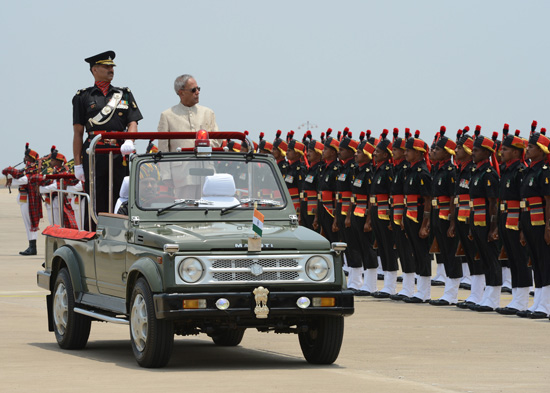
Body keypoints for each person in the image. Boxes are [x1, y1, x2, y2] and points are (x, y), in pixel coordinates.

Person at [72, 50, 142, 229]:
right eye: (106, 66)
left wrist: (129, 141)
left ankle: (120, 233)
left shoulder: (124, 94)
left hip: (119, 152)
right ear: (95, 70)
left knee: (121, 194)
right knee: (95, 195)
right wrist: (78, 164)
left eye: (112, 66)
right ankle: (94, 233)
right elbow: (78, 133)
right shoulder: (83, 97)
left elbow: (132, 122)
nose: (111, 69)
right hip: (94, 152)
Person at [157, 74, 219, 200]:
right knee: (185, 212)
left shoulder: (208, 113)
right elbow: (163, 148)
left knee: (209, 209)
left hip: (206, 171)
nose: (197, 92)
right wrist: (166, 175)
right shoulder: (167, 115)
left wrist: (203, 146)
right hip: (182, 175)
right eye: (193, 90)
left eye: (198, 89)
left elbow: (218, 140)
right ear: (181, 93)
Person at [495, 130, 531, 315]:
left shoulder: (520, 171)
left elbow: (523, 200)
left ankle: (522, 299)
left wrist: (522, 227)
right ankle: (516, 298)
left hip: (516, 219)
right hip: (504, 216)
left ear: (516, 152)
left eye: (506, 149)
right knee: (512, 258)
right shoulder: (507, 169)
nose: (502, 152)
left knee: (520, 258)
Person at [517, 132, 550, 319]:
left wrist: (548, 226)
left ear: (541, 150)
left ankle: (546, 304)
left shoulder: (544, 171)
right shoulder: (529, 170)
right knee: (536, 262)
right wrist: (522, 228)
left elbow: (548, 200)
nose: (527, 149)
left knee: (545, 262)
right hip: (529, 221)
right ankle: (538, 302)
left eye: (530, 147)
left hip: (540, 222)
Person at [467, 134, 501, 312]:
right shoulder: (476, 171)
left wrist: (494, 227)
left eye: (476, 150)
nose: (472, 153)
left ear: (487, 153)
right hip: (476, 219)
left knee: (492, 258)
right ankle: (487, 294)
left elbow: (493, 203)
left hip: (487, 222)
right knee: (484, 259)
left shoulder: (489, 174)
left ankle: (494, 297)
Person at [429, 133, 462, 306]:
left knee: (451, 254)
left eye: (437, 149)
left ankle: (452, 293)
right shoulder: (437, 170)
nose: (433, 151)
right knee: (444, 253)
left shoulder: (451, 171)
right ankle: (448, 291)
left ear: (447, 152)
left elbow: (452, 198)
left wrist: (452, 222)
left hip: (446, 216)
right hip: (436, 215)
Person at [367, 131, 399, 298]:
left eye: (377, 152)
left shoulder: (388, 170)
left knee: (388, 248)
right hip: (375, 211)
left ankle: (391, 285)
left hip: (385, 213)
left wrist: (391, 218)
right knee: (381, 248)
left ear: (385, 154)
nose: (374, 154)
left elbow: (392, 195)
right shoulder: (377, 169)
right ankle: (387, 284)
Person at [402, 132, 433, 303]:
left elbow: (428, 200)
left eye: (409, 150)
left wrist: (425, 224)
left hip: (420, 217)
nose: (406, 153)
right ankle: (419, 289)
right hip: (410, 216)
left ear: (420, 153)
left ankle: (425, 291)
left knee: (422, 253)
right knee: (415, 252)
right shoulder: (411, 171)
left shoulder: (422, 173)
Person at [347, 135, 377, 295]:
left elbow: (371, 199)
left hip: (364, 215)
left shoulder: (368, 173)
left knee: (367, 248)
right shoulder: (357, 171)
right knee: (356, 247)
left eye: (359, 152)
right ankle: (358, 282)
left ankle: (371, 284)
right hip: (356, 214)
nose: (356, 154)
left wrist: (369, 220)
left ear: (367, 155)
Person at [389, 130, 417, 301]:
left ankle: (410, 287)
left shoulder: (407, 169)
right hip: (397, 212)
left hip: (408, 213)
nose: (400, 153)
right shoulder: (398, 169)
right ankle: (405, 287)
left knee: (408, 250)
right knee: (400, 248)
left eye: (398, 150)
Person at [2, 144, 42, 255]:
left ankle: (33, 247)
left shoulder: (32, 168)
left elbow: (25, 180)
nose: (24, 159)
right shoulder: (27, 168)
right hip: (26, 199)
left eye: (26, 157)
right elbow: (20, 176)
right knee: (28, 223)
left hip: (30, 199)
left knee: (30, 223)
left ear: (30, 158)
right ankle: (31, 246)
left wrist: (12, 181)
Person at [300, 138, 325, 231]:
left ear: (318, 153)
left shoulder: (319, 171)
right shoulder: (310, 170)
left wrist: (316, 217)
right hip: (305, 210)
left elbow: (319, 194)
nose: (307, 154)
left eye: (310, 151)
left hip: (313, 212)